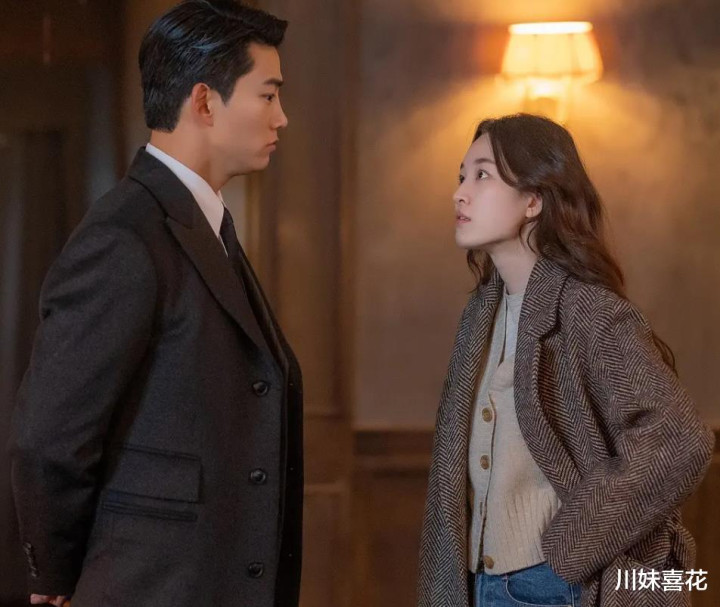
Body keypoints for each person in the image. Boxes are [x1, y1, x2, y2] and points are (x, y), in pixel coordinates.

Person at [9, 2, 303, 606]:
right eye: (268, 95)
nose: (282, 116)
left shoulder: (206, 224)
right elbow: (49, 438)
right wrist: (56, 579)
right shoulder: (125, 235)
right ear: (204, 102)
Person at [417, 113, 714, 607]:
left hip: (553, 588)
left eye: (482, 175)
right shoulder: (480, 314)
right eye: (461, 176)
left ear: (533, 200)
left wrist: (571, 546)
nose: (459, 194)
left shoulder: (588, 310)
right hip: (477, 586)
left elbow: (680, 441)